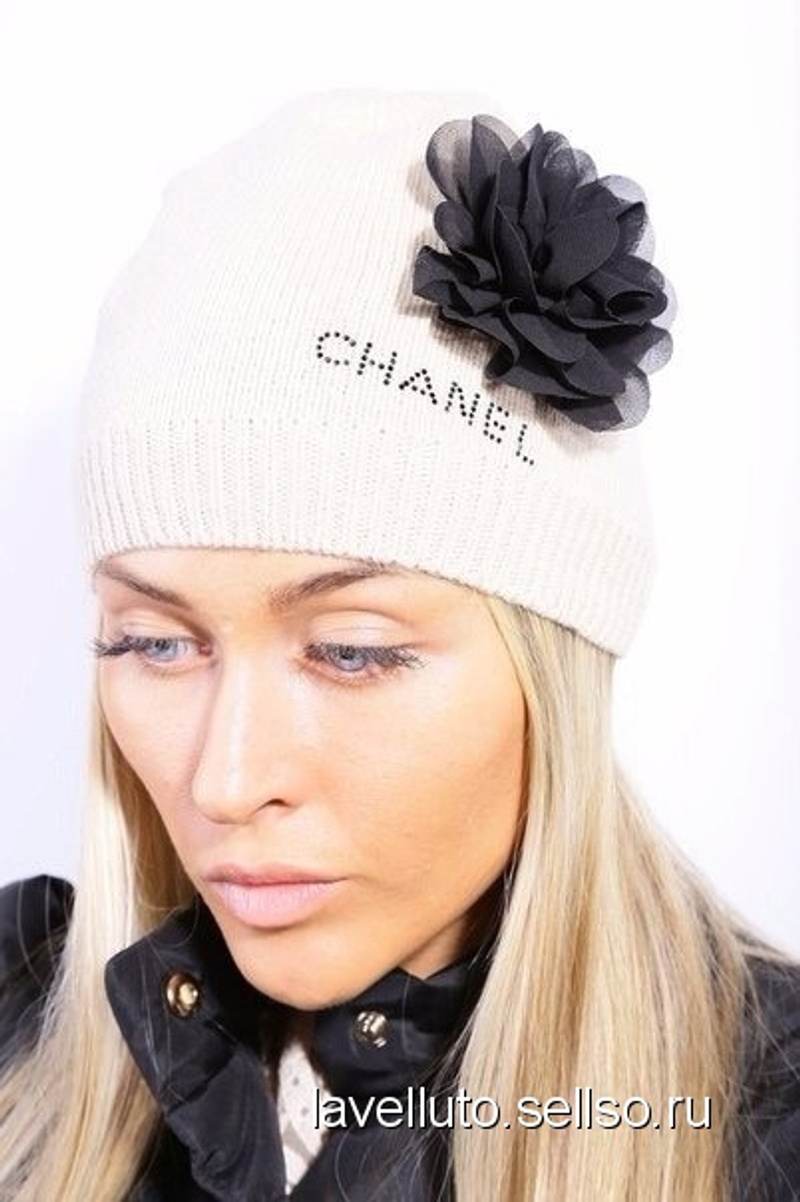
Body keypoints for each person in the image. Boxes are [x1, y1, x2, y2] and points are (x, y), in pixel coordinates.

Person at [0, 87, 798, 1202]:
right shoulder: (18, 1031)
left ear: (550, 666)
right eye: (153, 642)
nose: (225, 781)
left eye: (352, 651)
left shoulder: (762, 1128)